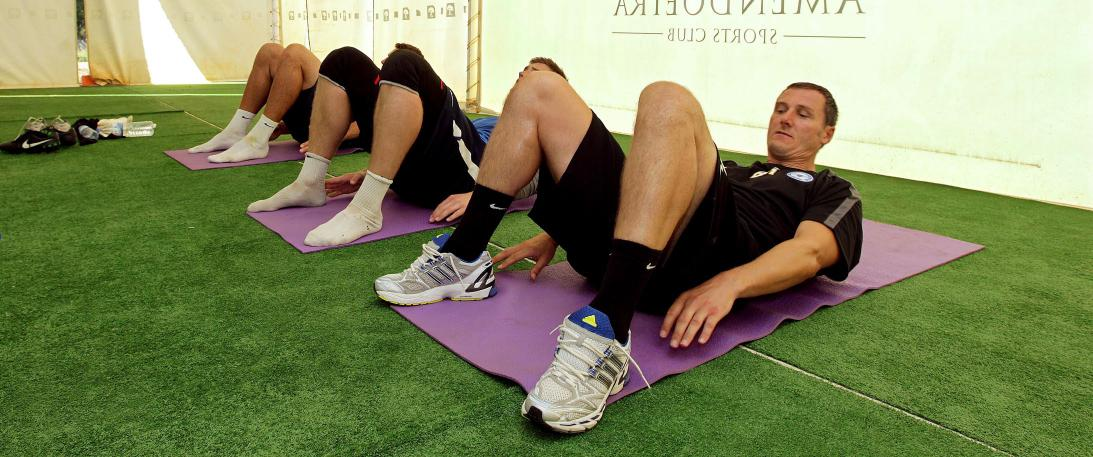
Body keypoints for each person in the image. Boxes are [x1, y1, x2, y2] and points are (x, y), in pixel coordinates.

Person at [374, 75, 863, 433]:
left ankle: (608, 329)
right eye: (781, 107)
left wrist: (730, 283)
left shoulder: (829, 187)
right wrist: (557, 233)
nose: (785, 117)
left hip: (701, 259)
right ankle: (464, 256)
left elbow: (810, 252)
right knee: (538, 87)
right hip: (622, 248)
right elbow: (645, 188)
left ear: (826, 135)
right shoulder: (733, 168)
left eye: (803, 113)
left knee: (667, 98)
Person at [246, 44, 565, 247]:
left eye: (536, 74)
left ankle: (367, 211)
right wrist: (363, 172)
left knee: (405, 62)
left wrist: (482, 197)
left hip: (465, 179)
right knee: (342, 60)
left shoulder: (537, 129)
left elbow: (541, 176)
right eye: (525, 70)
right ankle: (310, 183)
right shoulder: (485, 119)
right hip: (419, 175)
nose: (525, 74)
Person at [187, 43, 360, 163]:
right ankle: (235, 131)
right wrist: (284, 127)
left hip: (328, 131)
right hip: (317, 121)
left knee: (296, 53)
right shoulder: (380, 78)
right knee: (269, 52)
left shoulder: (383, 85)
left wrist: (325, 138)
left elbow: (374, 123)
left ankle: (257, 141)